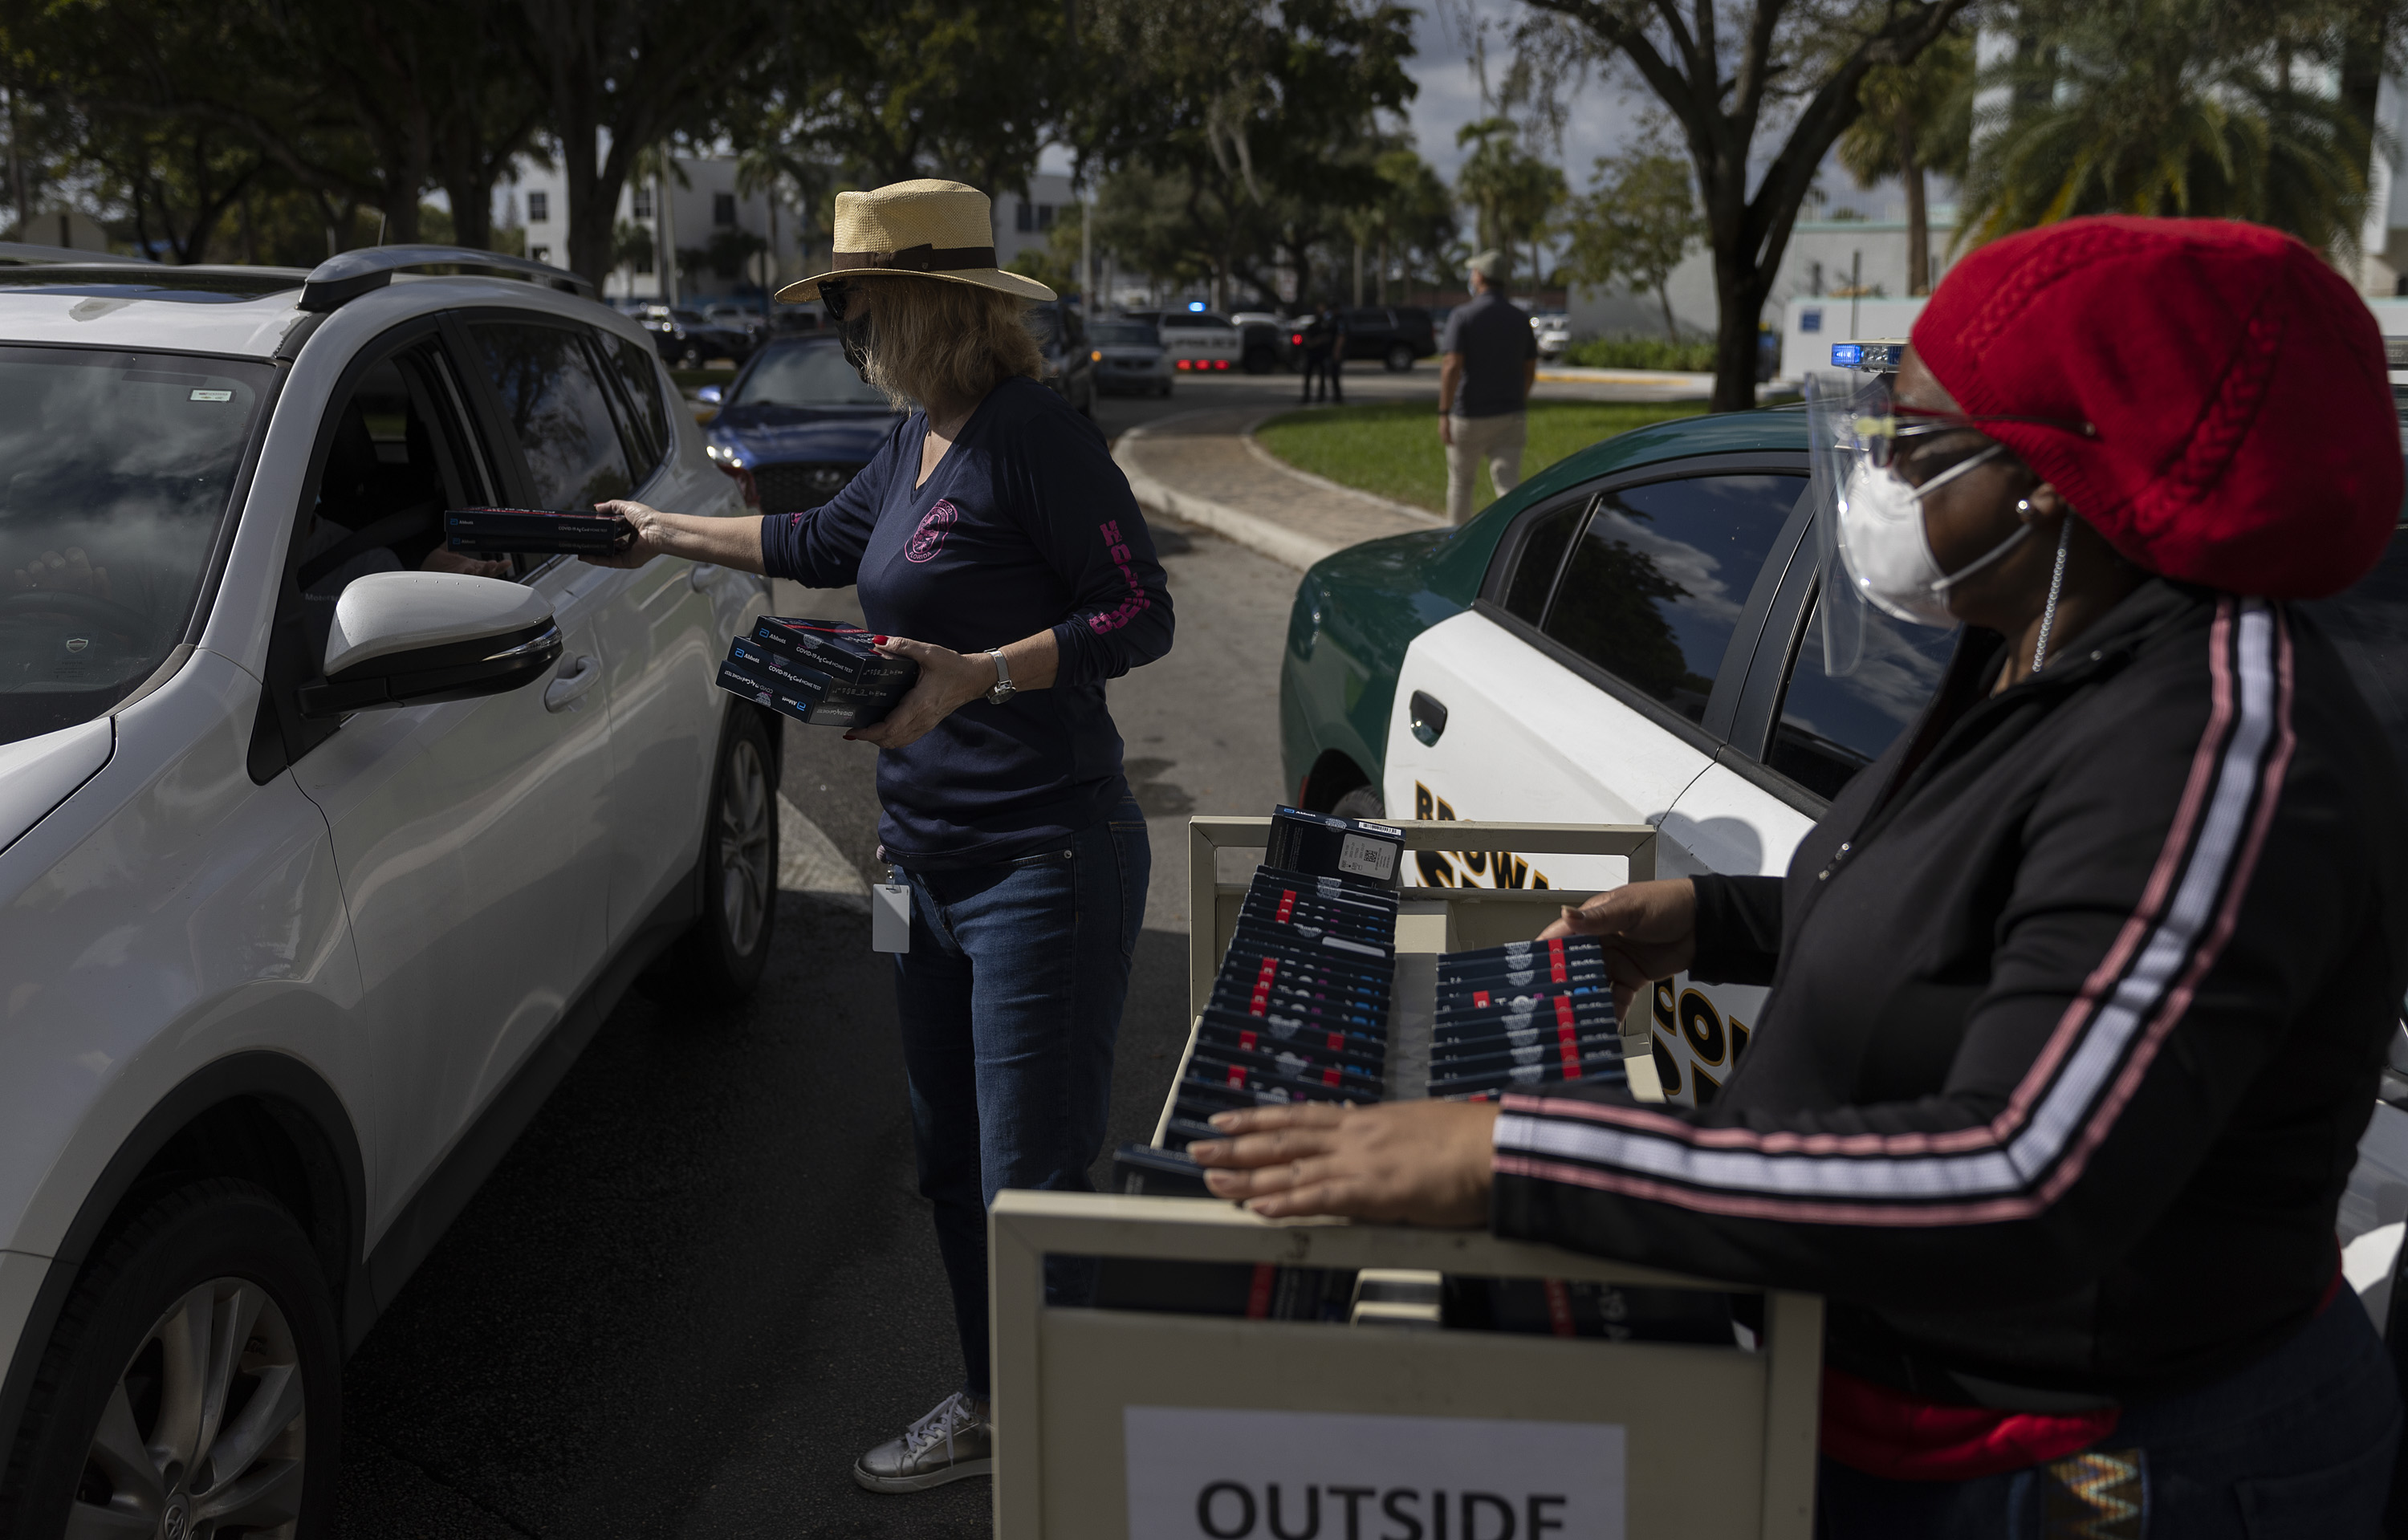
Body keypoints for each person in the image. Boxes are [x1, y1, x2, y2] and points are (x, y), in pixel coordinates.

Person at [1191, 217, 2407, 1536]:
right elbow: (1976, 912)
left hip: (2106, 1478)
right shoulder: (2041, 644)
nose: (1881, 470)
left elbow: (2022, 1176)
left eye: (1921, 439)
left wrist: (1507, 1152)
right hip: (1918, 1415)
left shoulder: (2217, 742)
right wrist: (1717, 915)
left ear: (2056, 483)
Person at [582, 178, 1173, 1495]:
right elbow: (808, 536)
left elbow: (1140, 615)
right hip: (920, 864)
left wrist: (980, 672)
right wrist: (657, 530)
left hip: (1043, 862)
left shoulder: (1032, 437)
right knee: (953, 1161)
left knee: (1032, 1173)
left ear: (921, 302)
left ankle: (1064, 1447)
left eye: (853, 302)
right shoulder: (914, 435)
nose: (844, 326)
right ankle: (996, 1401)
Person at [1438, 250, 1538, 526]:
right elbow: (1529, 369)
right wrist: (1519, 398)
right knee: (1508, 487)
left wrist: (1443, 412)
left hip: (1469, 415)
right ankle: (1511, 545)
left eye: (1473, 272)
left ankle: (1456, 544)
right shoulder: (1520, 318)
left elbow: (1452, 365)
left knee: (1461, 484)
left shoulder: (1463, 315)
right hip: (1511, 414)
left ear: (1479, 276)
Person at [1299, 303, 1340, 404]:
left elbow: (1330, 337)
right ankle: (1307, 396)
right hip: (1312, 353)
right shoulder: (1312, 324)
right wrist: (1311, 342)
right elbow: (1304, 336)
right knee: (1308, 375)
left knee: (1322, 375)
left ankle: (1321, 396)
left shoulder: (1327, 324)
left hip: (1322, 354)